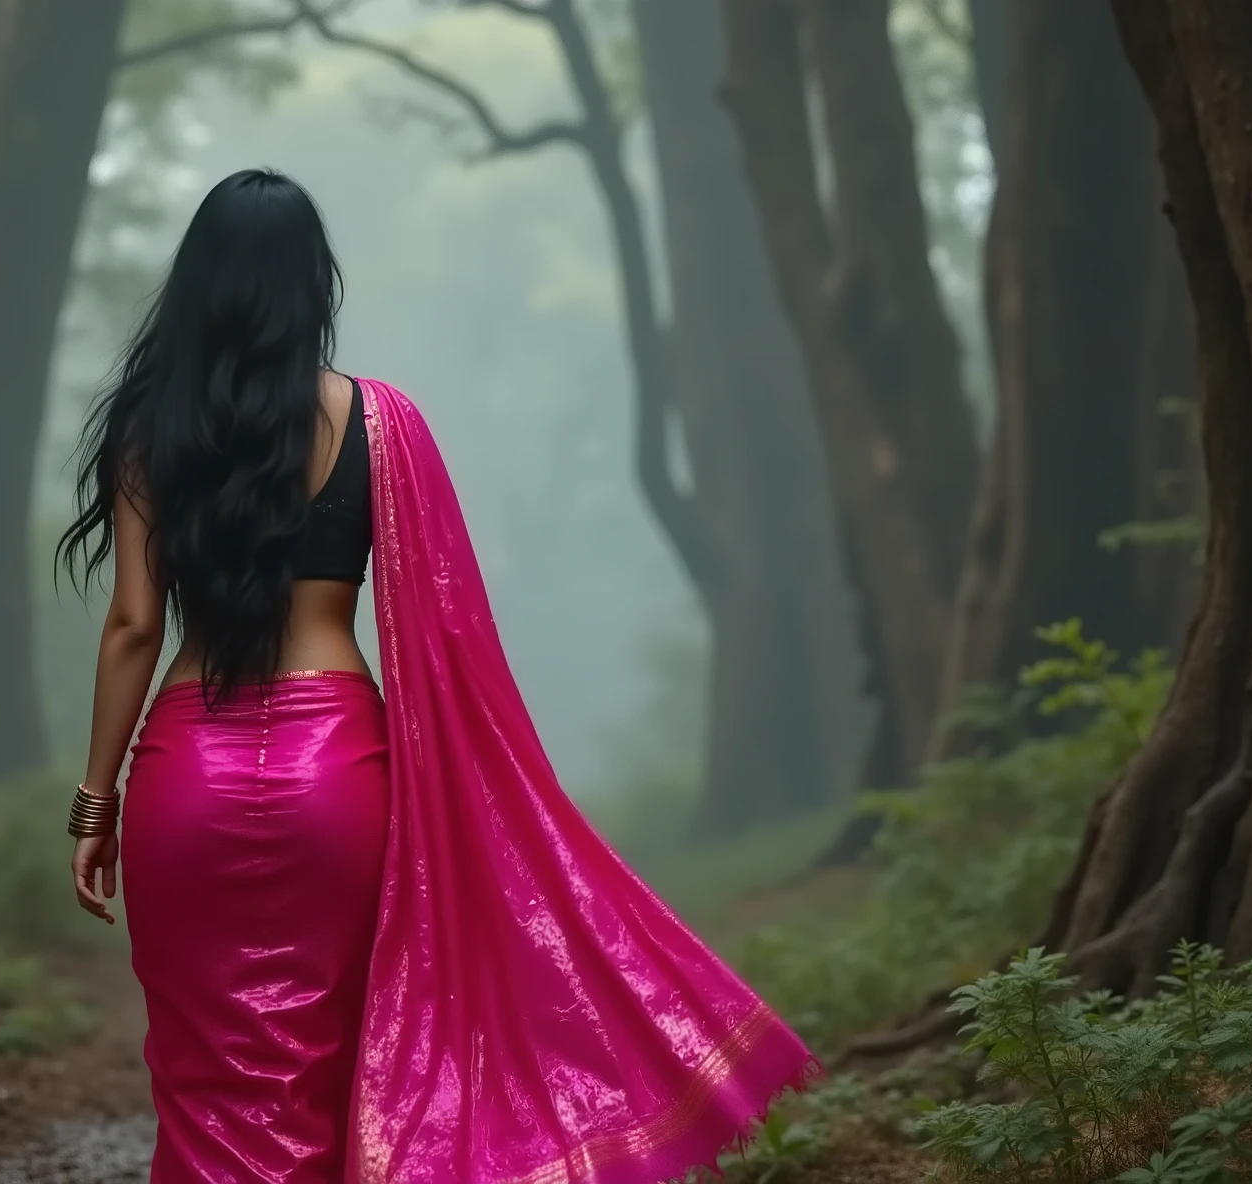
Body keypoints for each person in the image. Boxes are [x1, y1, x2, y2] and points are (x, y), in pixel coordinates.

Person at [57, 168, 816, 1184]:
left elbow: (131, 628)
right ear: (309, 286)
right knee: (331, 1060)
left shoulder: (152, 430)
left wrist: (94, 802)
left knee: (202, 1072)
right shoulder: (380, 423)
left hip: (184, 773)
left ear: (197, 285)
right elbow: (448, 629)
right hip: (339, 771)